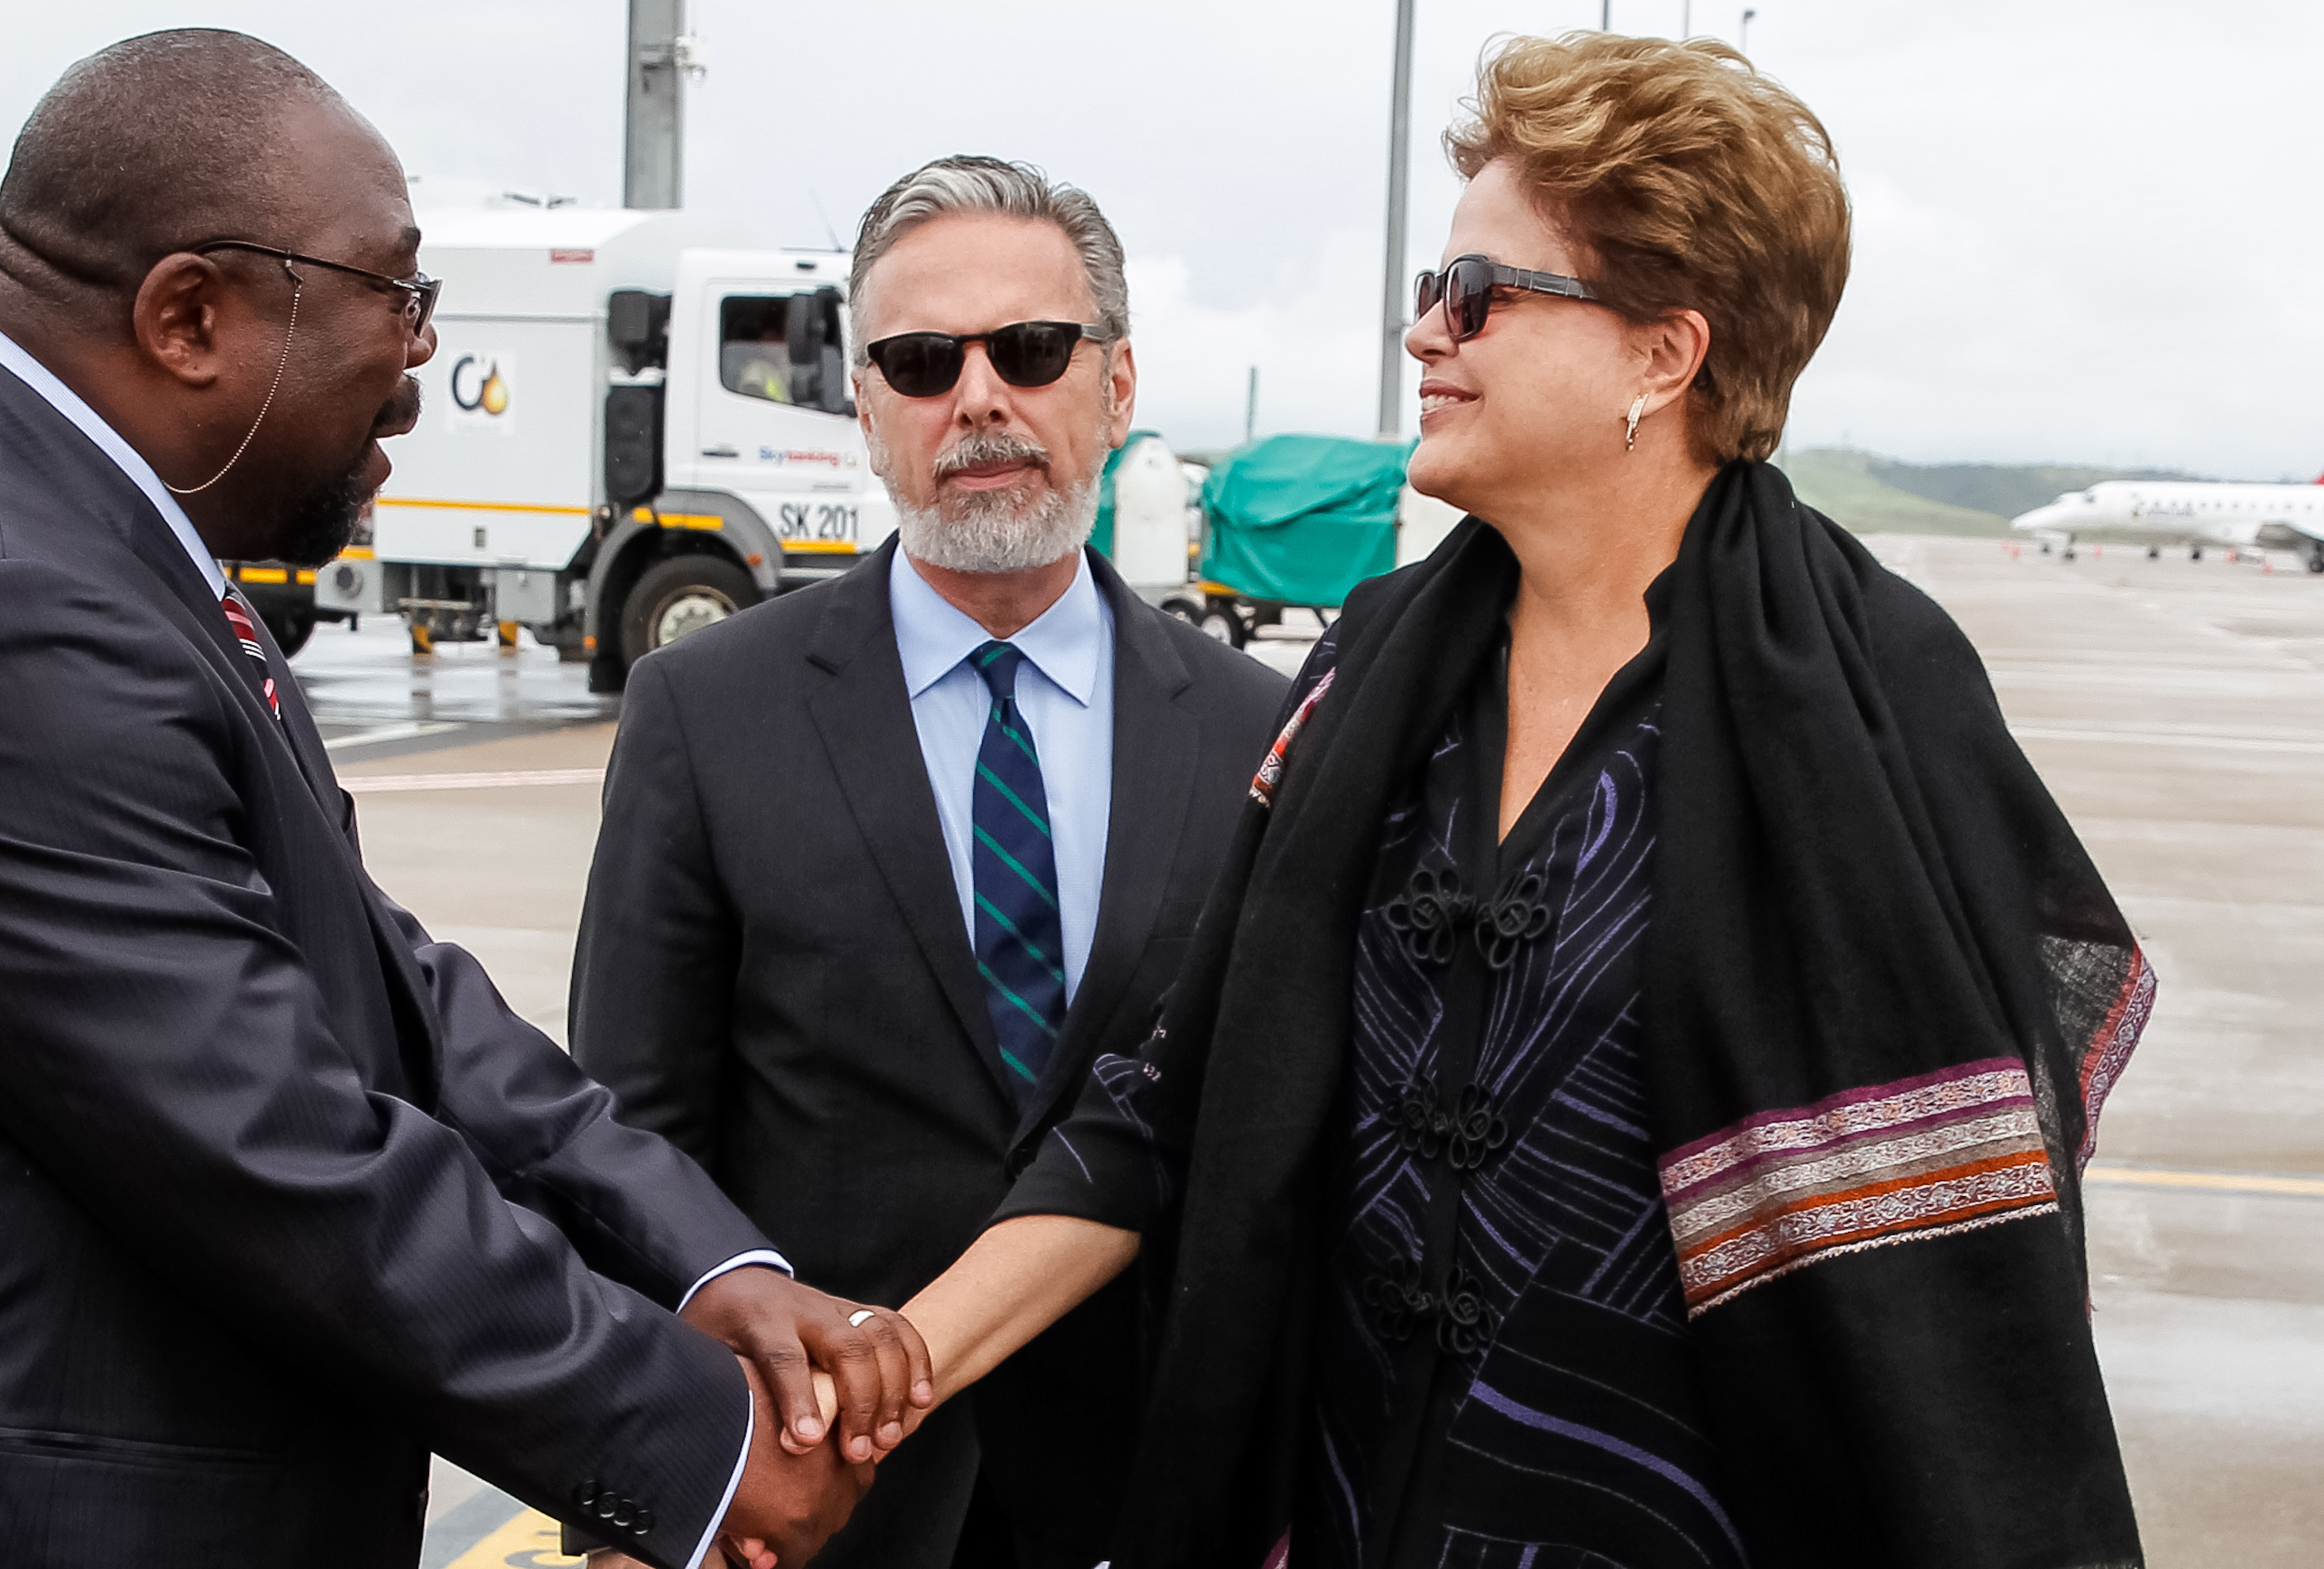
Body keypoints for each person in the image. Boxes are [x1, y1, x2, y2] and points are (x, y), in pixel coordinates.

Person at [0, 32, 926, 1569]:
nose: (420, 357)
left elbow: (378, 979)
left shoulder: (71, 538)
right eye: (392, 294)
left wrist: (696, 1256)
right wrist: (696, 1436)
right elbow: (266, 1141)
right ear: (191, 313)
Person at [897, 35, 2153, 1569]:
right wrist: (887, 1365)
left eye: (1477, 293)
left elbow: (1967, 1188)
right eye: (1432, 289)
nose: (1424, 331)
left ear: (1660, 353)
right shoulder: (1371, 673)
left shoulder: (1868, 690)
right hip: (1352, 1510)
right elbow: (1175, 1094)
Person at [568, 155, 1287, 1569]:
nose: (977, 399)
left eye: (1029, 350)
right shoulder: (708, 709)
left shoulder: (1260, 734)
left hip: (1151, 1489)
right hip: (819, 1491)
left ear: (1118, 385)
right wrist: (638, 1490)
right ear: (863, 406)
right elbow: (636, 1138)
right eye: (917, 360)